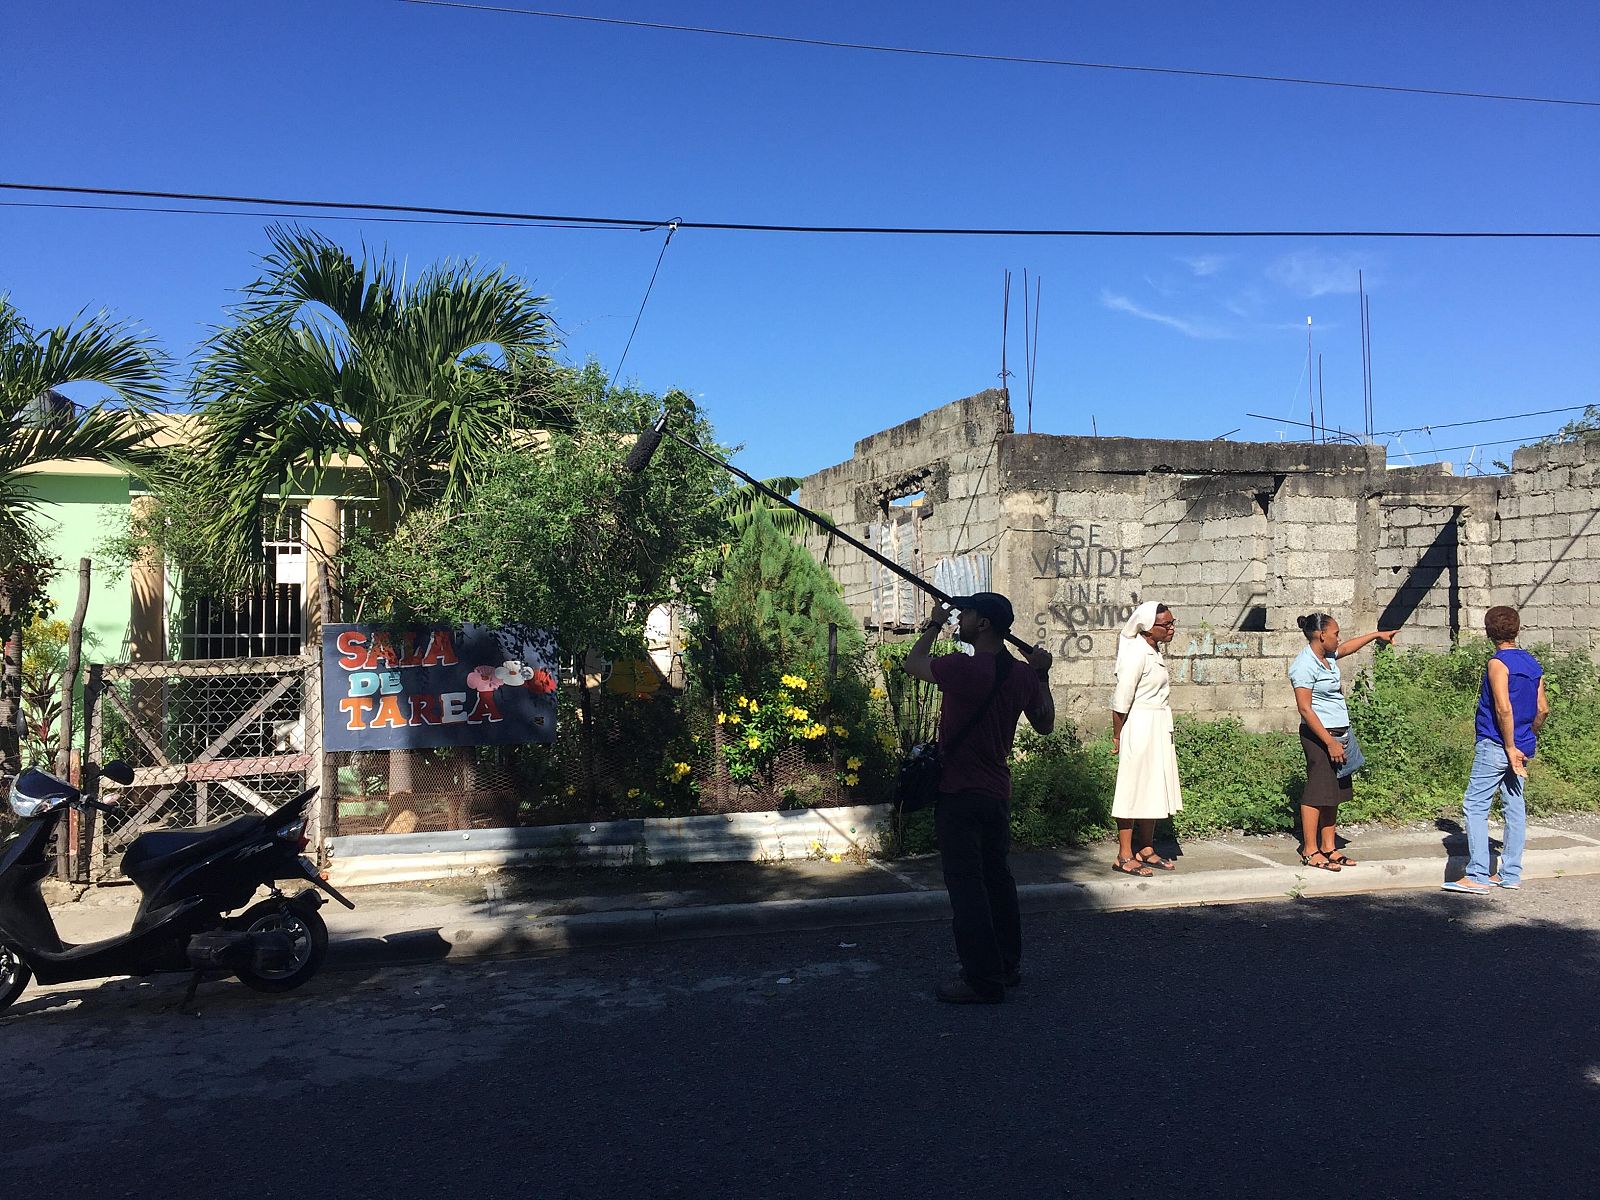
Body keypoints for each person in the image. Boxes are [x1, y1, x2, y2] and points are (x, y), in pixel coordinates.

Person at [904, 591, 1055, 1004]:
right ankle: (1006, 966)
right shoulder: (1021, 676)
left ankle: (981, 980)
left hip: (958, 795)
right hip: (995, 794)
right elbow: (1045, 725)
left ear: (983, 624)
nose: (960, 618)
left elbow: (912, 664)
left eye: (966, 613)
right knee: (998, 883)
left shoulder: (963, 668)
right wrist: (1041, 674)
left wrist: (933, 624)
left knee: (967, 888)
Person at [1443, 605, 1549, 896]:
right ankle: (1511, 873)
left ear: (1489, 632)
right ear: (1517, 629)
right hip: (1523, 745)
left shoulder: (1497, 663)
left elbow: (1503, 708)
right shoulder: (1532, 663)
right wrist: (1526, 738)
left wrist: (1511, 745)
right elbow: (1543, 709)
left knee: (1475, 805)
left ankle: (1478, 875)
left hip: (1497, 744)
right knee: (1514, 806)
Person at [1288, 612, 1398, 871]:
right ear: (1321, 635)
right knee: (1316, 793)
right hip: (1320, 738)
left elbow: (1347, 648)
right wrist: (1329, 742)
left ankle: (1328, 846)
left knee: (1333, 793)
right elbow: (1305, 709)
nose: (1339, 639)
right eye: (1335, 634)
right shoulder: (1304, 665)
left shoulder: (1326, 656)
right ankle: (1310, 850)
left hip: (1339, 735)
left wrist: (1376, 635)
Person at [1110, 602, 1183, 876]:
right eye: (1166, 624)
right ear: (1147, 628)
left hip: (1157, 724)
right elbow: (1120, 701)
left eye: (1172, 622)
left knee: (1152, 786)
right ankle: (1124, 854)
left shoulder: (1153, 651)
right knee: (1132, 786)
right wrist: (1118, 735)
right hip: (1138, 725)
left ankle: (1146, 848)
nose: (1171, 628)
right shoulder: (1136, 653)